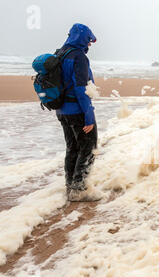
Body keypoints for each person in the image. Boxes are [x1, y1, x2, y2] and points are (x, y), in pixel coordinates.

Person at [56, 23, 100, 202]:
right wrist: (88, 116)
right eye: (88, 41)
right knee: (89, 147)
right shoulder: (79, 57)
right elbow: (81, 88)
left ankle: (70, 187)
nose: (89, 45)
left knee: (72, 147)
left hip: (61, 111)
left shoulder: (60, 53)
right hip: (77, 111)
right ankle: (79, 190)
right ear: (82, 39)